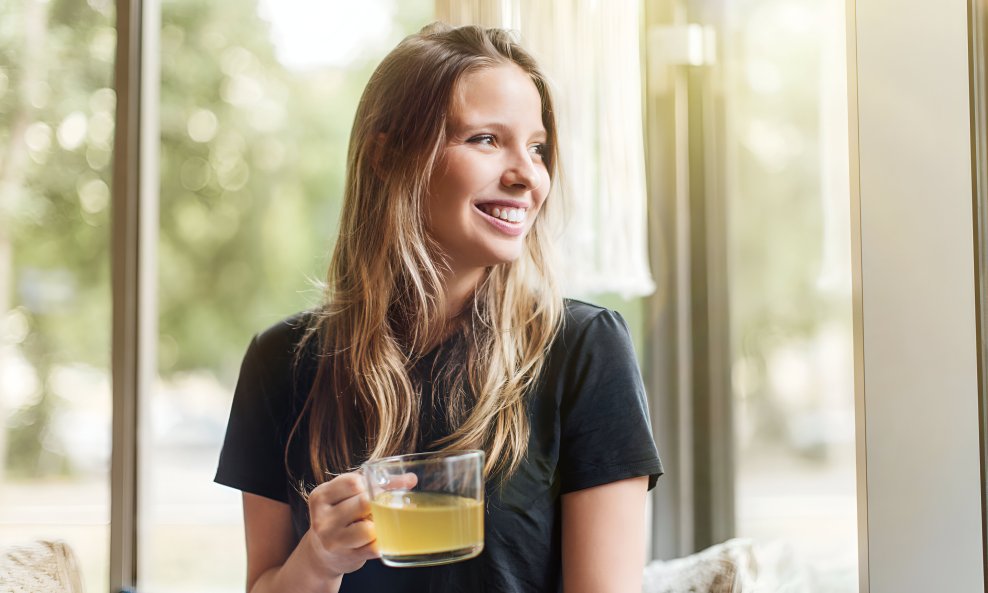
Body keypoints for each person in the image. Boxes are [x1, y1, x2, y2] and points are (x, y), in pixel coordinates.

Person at [215, 21, 662, 593]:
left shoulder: (584, 348)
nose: (527, 175)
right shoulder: (281, 361)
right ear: (388, 157)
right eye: (485, 140)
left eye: (537, 147)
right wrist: (319, 559)